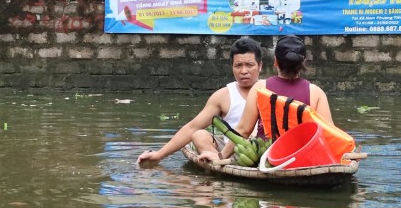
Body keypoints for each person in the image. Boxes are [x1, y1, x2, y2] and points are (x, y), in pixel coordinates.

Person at [199, 35, 333, 162]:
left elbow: (244, 130)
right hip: (302, 156)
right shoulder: (316, 92)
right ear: (304, 62)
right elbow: (329, 134)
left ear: (275, 61)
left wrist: (221, 157)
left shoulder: (260, 87)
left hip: (265, 157)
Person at [137, 37, 263, 165]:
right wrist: (159, 155)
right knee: (199, 135)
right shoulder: (223, 95)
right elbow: (192, 127)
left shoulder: (270, 89)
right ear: (232, 67)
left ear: (260, 66)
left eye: (249, 65)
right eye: (238, 65)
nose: (243, 71)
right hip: (229, 150)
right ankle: (216, 163)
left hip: (261, 149)